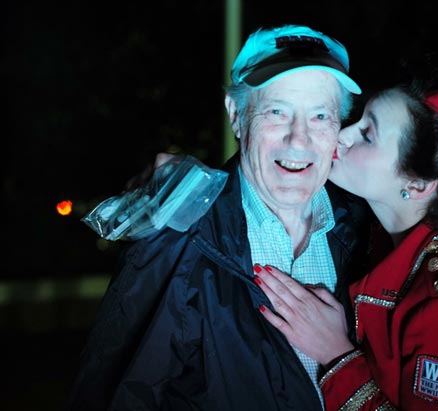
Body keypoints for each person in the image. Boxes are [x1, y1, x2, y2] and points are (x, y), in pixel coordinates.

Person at [66, 24, 373, 411]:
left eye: (319, 116)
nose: (299, 139)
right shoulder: (177, 238)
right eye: (277, 112)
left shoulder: (366, 233)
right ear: (237, 116)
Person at [253, 76, 438, 410]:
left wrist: (335, 353)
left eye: (367, 136)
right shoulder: (377, 238)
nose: (342, 136)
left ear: (417, 184)